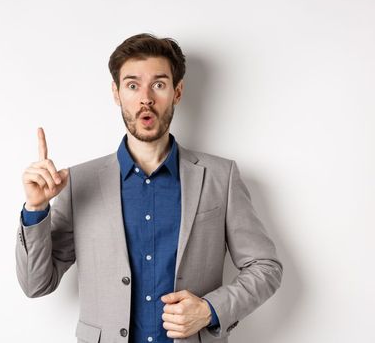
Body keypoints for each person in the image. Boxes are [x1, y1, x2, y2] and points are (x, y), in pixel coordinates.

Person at [15, 33, 282, 343]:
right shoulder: (79, 183)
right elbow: (36, 284)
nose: (146, 98)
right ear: (116, 93)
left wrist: (210, 310)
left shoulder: (220, 177)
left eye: (158, 84)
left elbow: (265, 267)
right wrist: (36, 209)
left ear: (177, 92)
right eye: (132, 85)